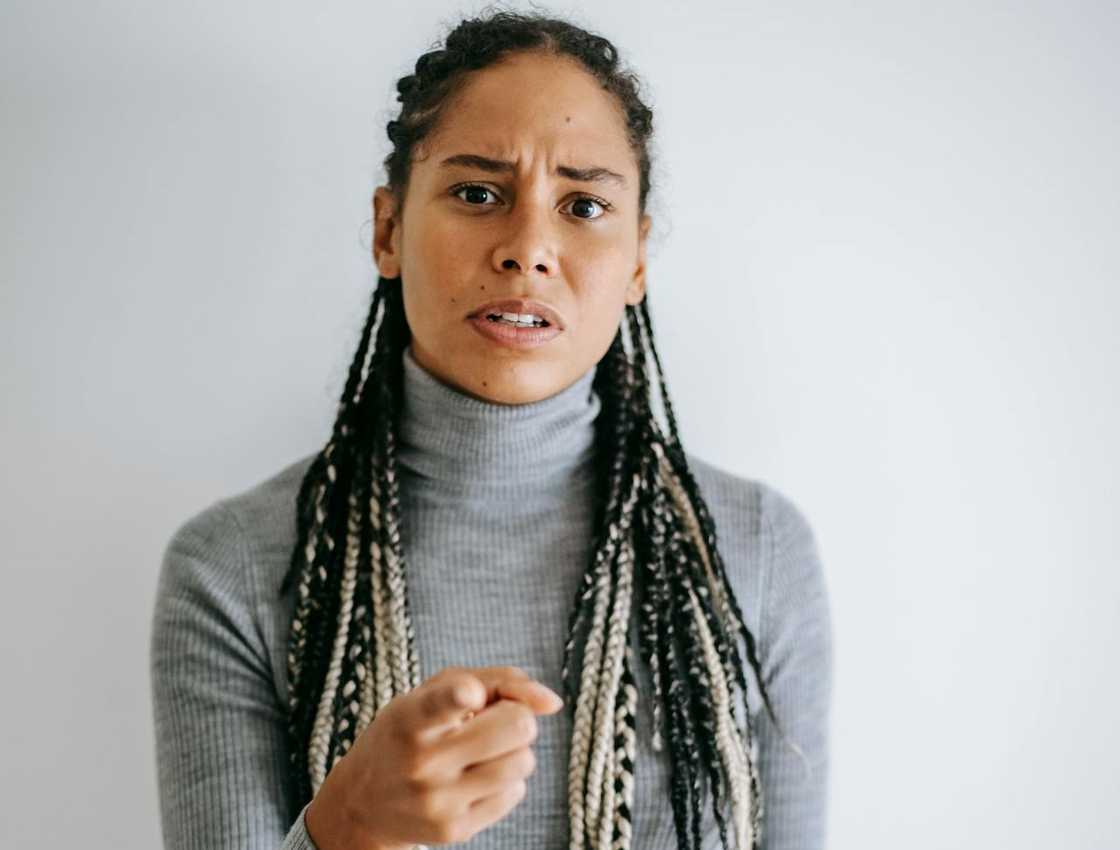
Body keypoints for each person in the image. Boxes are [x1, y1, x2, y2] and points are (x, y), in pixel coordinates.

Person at [149, 9, 833, 850]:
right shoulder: (231, 568)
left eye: (584, 205)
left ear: (637, 261)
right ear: (388, 231)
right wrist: (346, 825)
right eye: (478, 194)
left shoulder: (757, 551)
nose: (528, 248)